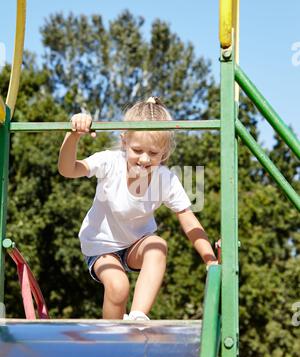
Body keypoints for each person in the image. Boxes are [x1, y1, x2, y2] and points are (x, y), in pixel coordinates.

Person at [58, 97, 218, 321]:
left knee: (157, 245)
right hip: (101, 244)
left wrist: (209, 259)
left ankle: (137, 317)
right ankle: (112, 340)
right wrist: (73, 134)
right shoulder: (110, 162)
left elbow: (189, 219)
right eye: (137, 150)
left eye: (153, 154)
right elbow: (68, 169)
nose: (144, 159)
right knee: (118, 286)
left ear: (164, 153)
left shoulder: (166, 179)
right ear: (124, 141)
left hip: (135, 245)